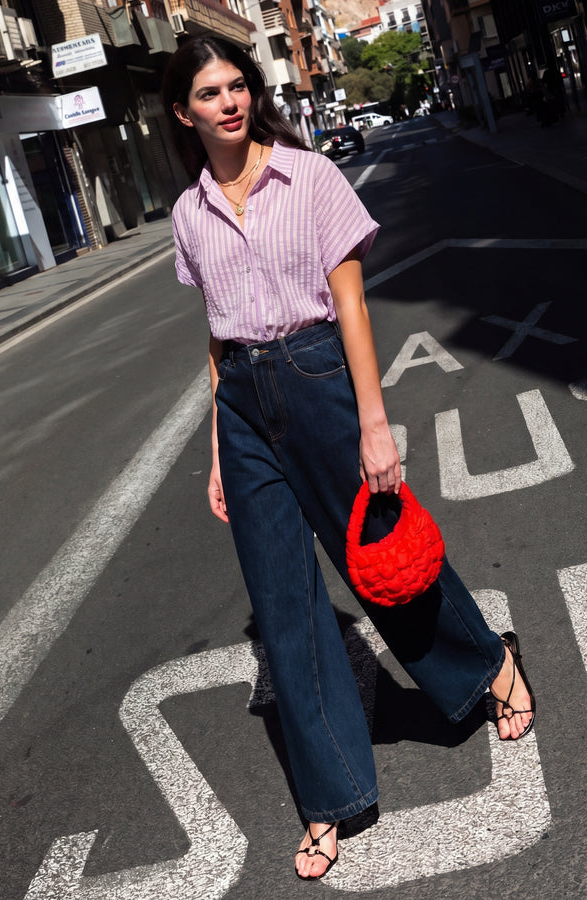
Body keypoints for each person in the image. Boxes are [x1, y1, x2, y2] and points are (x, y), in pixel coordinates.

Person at [162, 36, 536, 881]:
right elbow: (216, 341)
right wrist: (220, 448)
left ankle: (488, 665)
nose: (230, 102)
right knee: (282, 605)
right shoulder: (189, 214)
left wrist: (374, 424)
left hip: (317, 376)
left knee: (380, 560)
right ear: (183, 113)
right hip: (244, 402)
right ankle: (331, 793)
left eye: (237, 86)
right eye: (210, 93)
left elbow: (351, 305)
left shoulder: (310, 177)